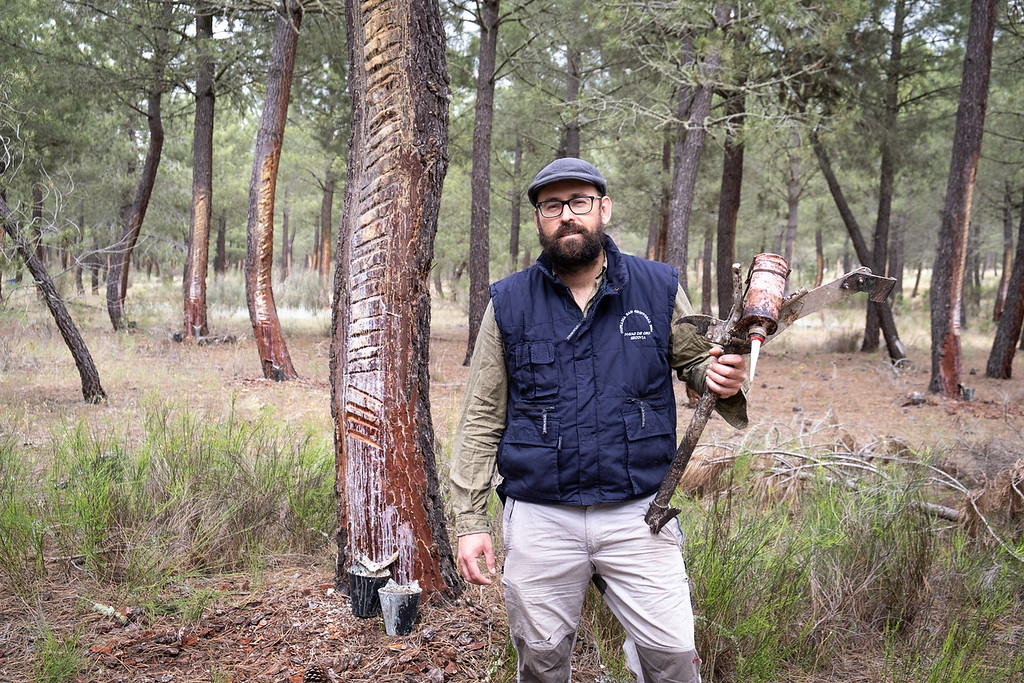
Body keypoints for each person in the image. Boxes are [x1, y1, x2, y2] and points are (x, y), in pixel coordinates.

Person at [449, 157, 748, 683]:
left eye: (579, 203)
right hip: (541, 517)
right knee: (541, 662)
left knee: (673, 659)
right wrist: (470, 522)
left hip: (640, 516)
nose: (567, 215)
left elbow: (694, 364)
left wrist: (717, 377)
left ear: (603, 209)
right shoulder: (509, 302)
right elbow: (480, 417)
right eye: (552, 206)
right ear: (539, 219)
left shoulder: (656, 288)